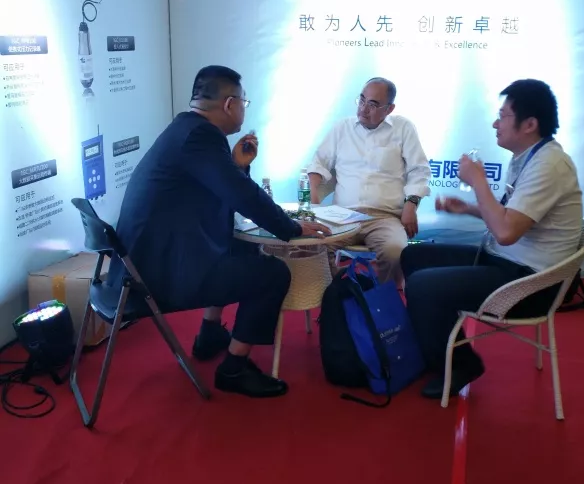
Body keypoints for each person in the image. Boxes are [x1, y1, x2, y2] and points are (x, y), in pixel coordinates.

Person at [108, 65, 329, 399]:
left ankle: (210, 333)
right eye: (244, 102)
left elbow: (221, 188)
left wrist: (238, 167)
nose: (244, 108)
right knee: (272, 273)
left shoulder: (186, 129)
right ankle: (234, 369)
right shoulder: (200, 137)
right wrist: (292, 228)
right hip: (159, 277)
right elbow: (242, 196)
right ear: (229, 104)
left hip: (146, 265)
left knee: (241, 248)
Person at [401, 79, 583, 400]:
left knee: (421, 285)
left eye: (503, 116)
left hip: (529, 283)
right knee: (412, 256)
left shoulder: (550, 165)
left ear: (529, 124)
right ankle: (439, 348)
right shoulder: (529, 156)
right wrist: (470, 208)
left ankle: (461, 364)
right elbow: (509, 217)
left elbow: (506, 232)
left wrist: (478, 181)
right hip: (504, 261)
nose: (496, 124)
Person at [307, 77, 430, 284]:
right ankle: (339, 293)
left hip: (384, 217)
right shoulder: (342, 128)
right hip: (342, 216)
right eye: (362, 100)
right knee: (314, 246)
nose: (363, 109)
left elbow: (419, 170)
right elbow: (318, 164)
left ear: (389, 109)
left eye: (372, 104)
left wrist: (411, 204)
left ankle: (378, 296)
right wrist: (314, 203)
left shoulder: (403, 128)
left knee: (395, 252)